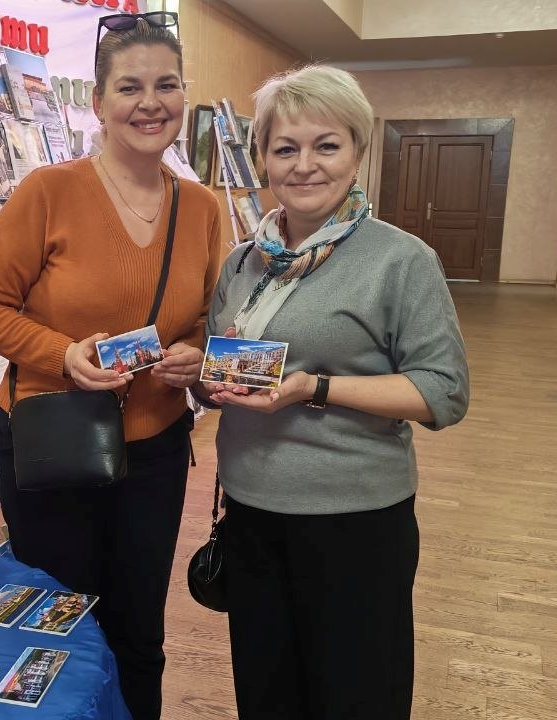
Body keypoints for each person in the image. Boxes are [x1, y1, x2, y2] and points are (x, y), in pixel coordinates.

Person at [0, 12, 223, 719]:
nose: (150, 103)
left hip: (156, 451)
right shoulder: (48, 191)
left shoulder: (201, 208)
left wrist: (194, 354)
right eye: (130, 87)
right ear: (99, 102)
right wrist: (63, 354)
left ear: (183, 95)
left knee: (139, 632)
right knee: (56, 628)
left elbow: (206, 317)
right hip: (56, 439)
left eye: (166, 85)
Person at [193, 64, 469, 719]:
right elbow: (219, 372)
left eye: (326, 145)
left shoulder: (401, 260)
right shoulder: (244, 262)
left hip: (354, 520)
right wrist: (199, 374)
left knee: (356, 696)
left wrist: (314, 388)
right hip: (251, 512)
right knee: (267, 692)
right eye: (285, 148)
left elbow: (444, 392)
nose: (305, 165)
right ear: (262, 158)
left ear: (356, 153)